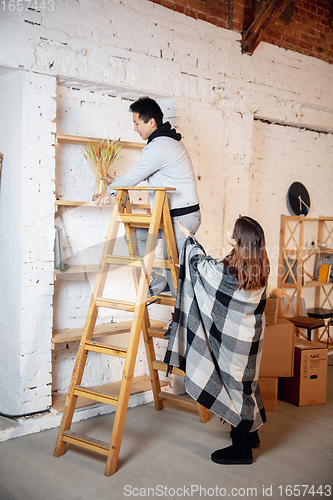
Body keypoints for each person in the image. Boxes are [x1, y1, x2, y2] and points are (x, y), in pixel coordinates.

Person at [164, 216, 270, 465]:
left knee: (235, 388)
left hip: (234, 341)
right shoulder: (259, 264)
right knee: (246, 385)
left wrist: (190, 239)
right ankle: (251, 434)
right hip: (251, 338)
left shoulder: (230, 269)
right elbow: (216, 268)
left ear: (237, 239)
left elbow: (203, 267)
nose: (228, 230)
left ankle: (242, 449)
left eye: (232, 229)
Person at [95, 97, 201, 294]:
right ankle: (157, 280)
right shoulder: (165, 142)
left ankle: (179, 320)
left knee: (177, 278)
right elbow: (141, 174)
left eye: (137, 122)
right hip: (172, 217)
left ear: (151, 122)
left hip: (181, 218)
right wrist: (115, 181)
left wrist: (108, 191)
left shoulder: (159, 146)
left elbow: (136, 175)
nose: (135, 128)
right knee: (134, 235)